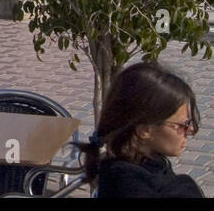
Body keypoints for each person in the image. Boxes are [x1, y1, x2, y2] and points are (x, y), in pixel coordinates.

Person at [78, 61, 203, 198]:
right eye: (182, 125)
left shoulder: (147, 164)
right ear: (144, 130)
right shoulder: (128, 186)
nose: (190, 130)